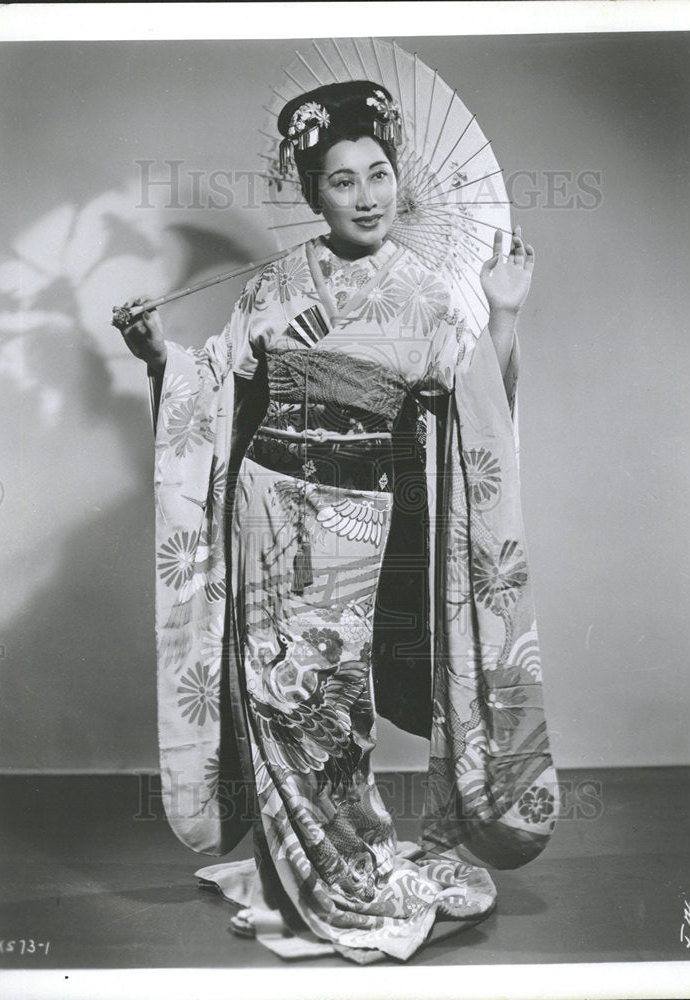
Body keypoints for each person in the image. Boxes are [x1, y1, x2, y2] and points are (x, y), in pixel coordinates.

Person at [118, 80, 558, 964]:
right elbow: (219, 389)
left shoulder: (429, 293)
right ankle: (292, 877)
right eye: (343, 181)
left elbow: (478, 407)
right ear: (313, 194)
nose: (367, 196)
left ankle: (342, 865)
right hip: (264, 501)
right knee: (267, 693)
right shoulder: (276, 283)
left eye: (379, 173)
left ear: (400, 179)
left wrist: (503, 307)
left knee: (326, 701)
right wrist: (161, 356)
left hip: (358, 517)